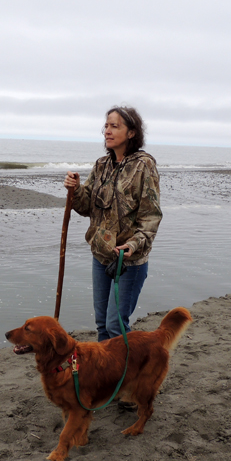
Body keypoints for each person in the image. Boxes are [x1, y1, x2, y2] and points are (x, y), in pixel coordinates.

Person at [64, 106, 162, 342]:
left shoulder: (143, 166)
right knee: (102, 325)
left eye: (114, 126)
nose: (107, 131)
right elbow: (87, 206)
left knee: (116, 325)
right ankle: (107, 376)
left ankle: (127, 376)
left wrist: (134, 244)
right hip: (101, 255)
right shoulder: (101, 165)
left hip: (128, 260)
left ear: (131, 133)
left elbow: (151, 215)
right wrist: (75, 189)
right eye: (106, 125)